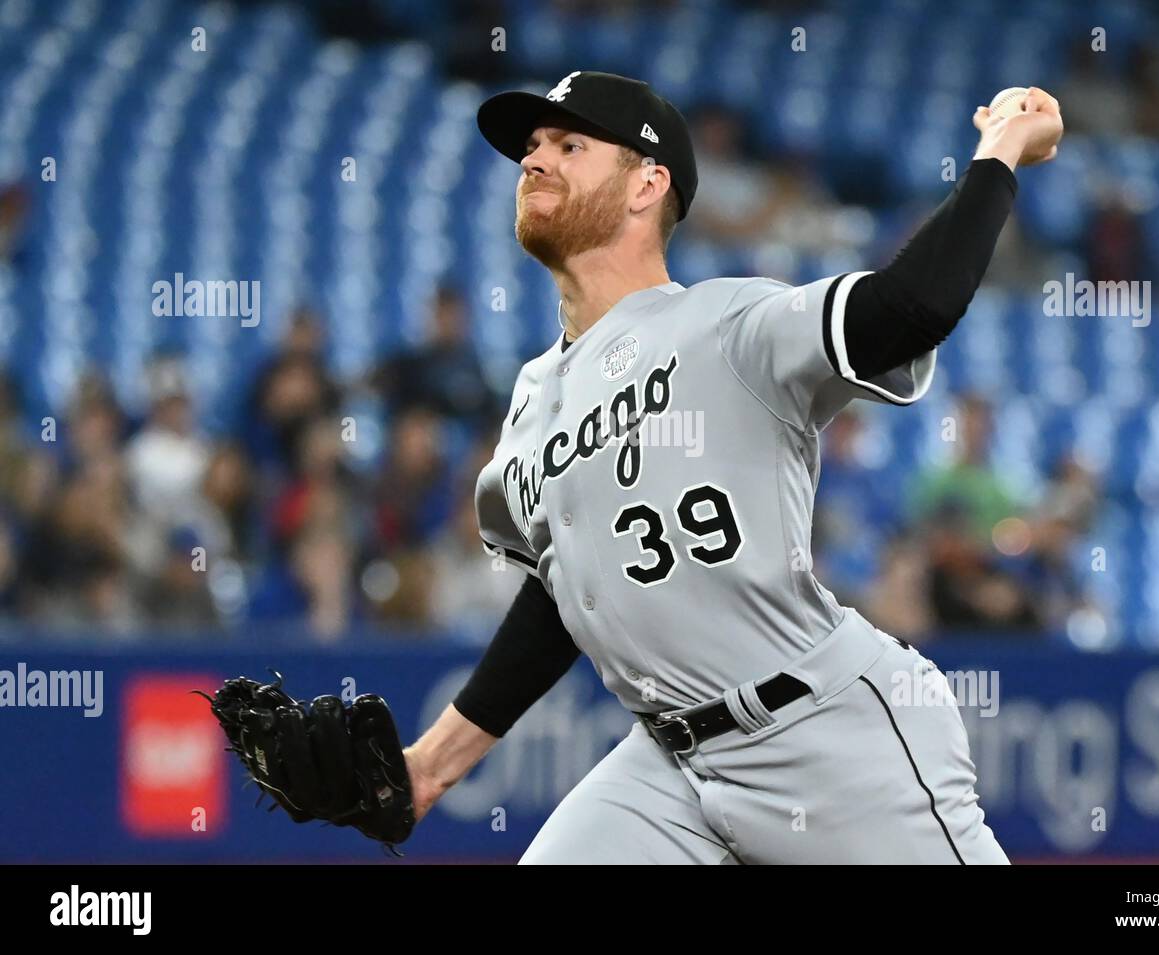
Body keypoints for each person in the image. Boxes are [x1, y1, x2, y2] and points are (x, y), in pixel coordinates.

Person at [402, 71, 1063, 864]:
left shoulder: (728, 323)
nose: (535, 161)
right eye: (532, 147)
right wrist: (428, 766)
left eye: (569, 144)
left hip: (823, 732)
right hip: (670, 766)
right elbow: (565, 595)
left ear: (648, 183)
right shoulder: (531, 401)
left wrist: (998, 153)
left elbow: (911, 307)